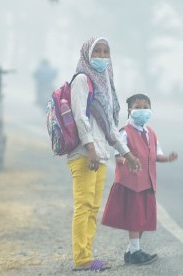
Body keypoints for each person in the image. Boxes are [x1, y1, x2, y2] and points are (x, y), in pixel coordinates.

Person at [67, 37, 141, 272]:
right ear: (87, 55)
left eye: (105, 51)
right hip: (85, 153)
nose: (101, 55)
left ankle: (86, 256)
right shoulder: (82, 79)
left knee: (92, 208)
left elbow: (109, 124)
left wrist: (127, 154)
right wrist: (89, 148)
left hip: (99, 154)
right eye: (96, 51)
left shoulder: (105, 82)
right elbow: (79, 116)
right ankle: (82, 259)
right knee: (84, 205)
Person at [101, 93, 178, 265]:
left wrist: (168, 158)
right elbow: (118, 155)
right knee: (135, 218)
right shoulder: (125, 132)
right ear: (129, 110)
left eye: (145, 107)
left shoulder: (150, 133)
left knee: (143, 219)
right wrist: (127, 161)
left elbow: (156, 155)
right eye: (138, 107)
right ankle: (135, 252)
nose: (142, 110)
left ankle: (130, 251)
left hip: (147, 183)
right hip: (131, 183)